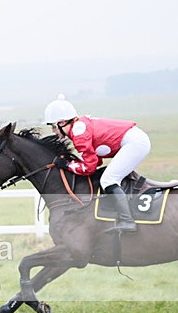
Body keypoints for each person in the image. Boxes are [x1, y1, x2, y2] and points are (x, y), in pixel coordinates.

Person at [44, 94, 151, 233]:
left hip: (135, 143)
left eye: (53, 126)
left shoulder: (79, 133)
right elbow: (95, 160)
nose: (53, 131)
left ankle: (127, 221)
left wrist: (67, 165)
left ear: (63, 122)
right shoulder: (78, 128)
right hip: (135, 140)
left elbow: (89, 167)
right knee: (108, 177)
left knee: (108, 180)